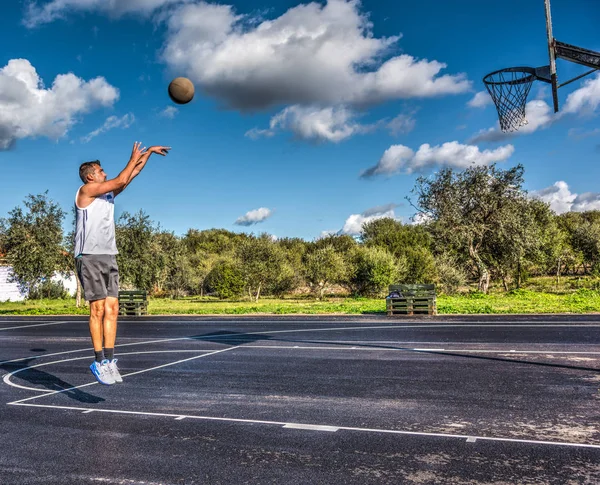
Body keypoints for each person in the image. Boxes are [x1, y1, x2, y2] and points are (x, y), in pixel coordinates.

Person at [74, 142, 170, 385]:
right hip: (90, 254)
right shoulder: (85, 192)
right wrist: (132, 157)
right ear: (90, 176)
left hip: (109, 254)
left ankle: (109, 361)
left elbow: (129, 176)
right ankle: (97, 362)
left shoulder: (105, 193)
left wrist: (146, 155)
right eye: (101, 170)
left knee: (113, 309)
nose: (104, 172)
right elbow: (119, 179)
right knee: (97, 309)